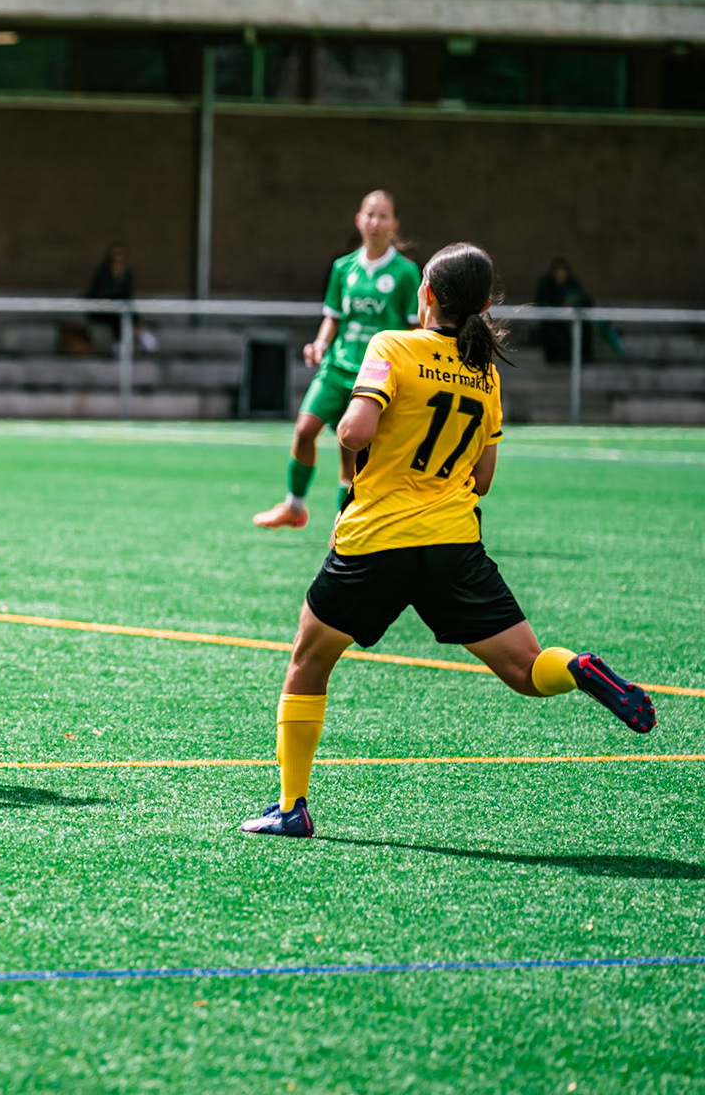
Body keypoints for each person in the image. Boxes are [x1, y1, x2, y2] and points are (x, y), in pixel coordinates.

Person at [240, 243, 655, 839]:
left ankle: (292, 807)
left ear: (427, 295)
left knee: (309, 661)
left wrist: (358, 464)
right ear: (484, 305)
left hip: (376, 540)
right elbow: (482, 481)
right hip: (454, 546)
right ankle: (581, 667)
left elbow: (355, 430)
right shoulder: (485, 372)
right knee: (529, 669)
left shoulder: (392, 346)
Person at [254, 191, 420, 531]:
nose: (375, 222)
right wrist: (319, 343)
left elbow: (413, 326)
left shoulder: (406, 273)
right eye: (369, 215)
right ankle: (294, 507)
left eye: (383, 216)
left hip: (374, 375)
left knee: (353, 456)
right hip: (336, 367)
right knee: (304, 431)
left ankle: (344, 528)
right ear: (358, 220)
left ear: (394, 224)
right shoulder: (343, 268)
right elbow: (333, 316)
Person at [533, 256, 605, 364]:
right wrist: (558, 307)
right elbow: (541, 302)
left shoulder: (572, 282)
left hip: (571, 318)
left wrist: (572, 303)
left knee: (585, 327)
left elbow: (585, 299)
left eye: (563, 271)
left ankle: (583, 357)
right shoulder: (546, 284)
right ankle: (558, 358)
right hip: (553, 321)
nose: (560, 275)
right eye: (558, 271)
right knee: (554, 332)